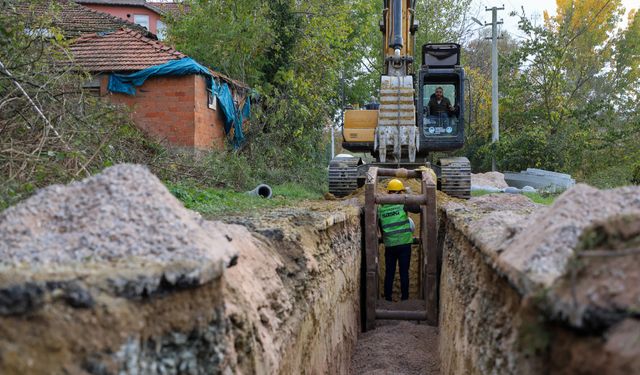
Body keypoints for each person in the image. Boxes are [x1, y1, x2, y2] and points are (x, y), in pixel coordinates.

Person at [378, 179, 419, 301]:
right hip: (404, 244)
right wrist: (409, 193)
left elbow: (380, 227)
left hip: (390, 245)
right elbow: (417, 208)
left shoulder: (381, 207)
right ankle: (405, 299)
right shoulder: (403, 203)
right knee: (404, 273)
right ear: (400, 192)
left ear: (389, 192)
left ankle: (388, 298)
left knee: (389, 273)